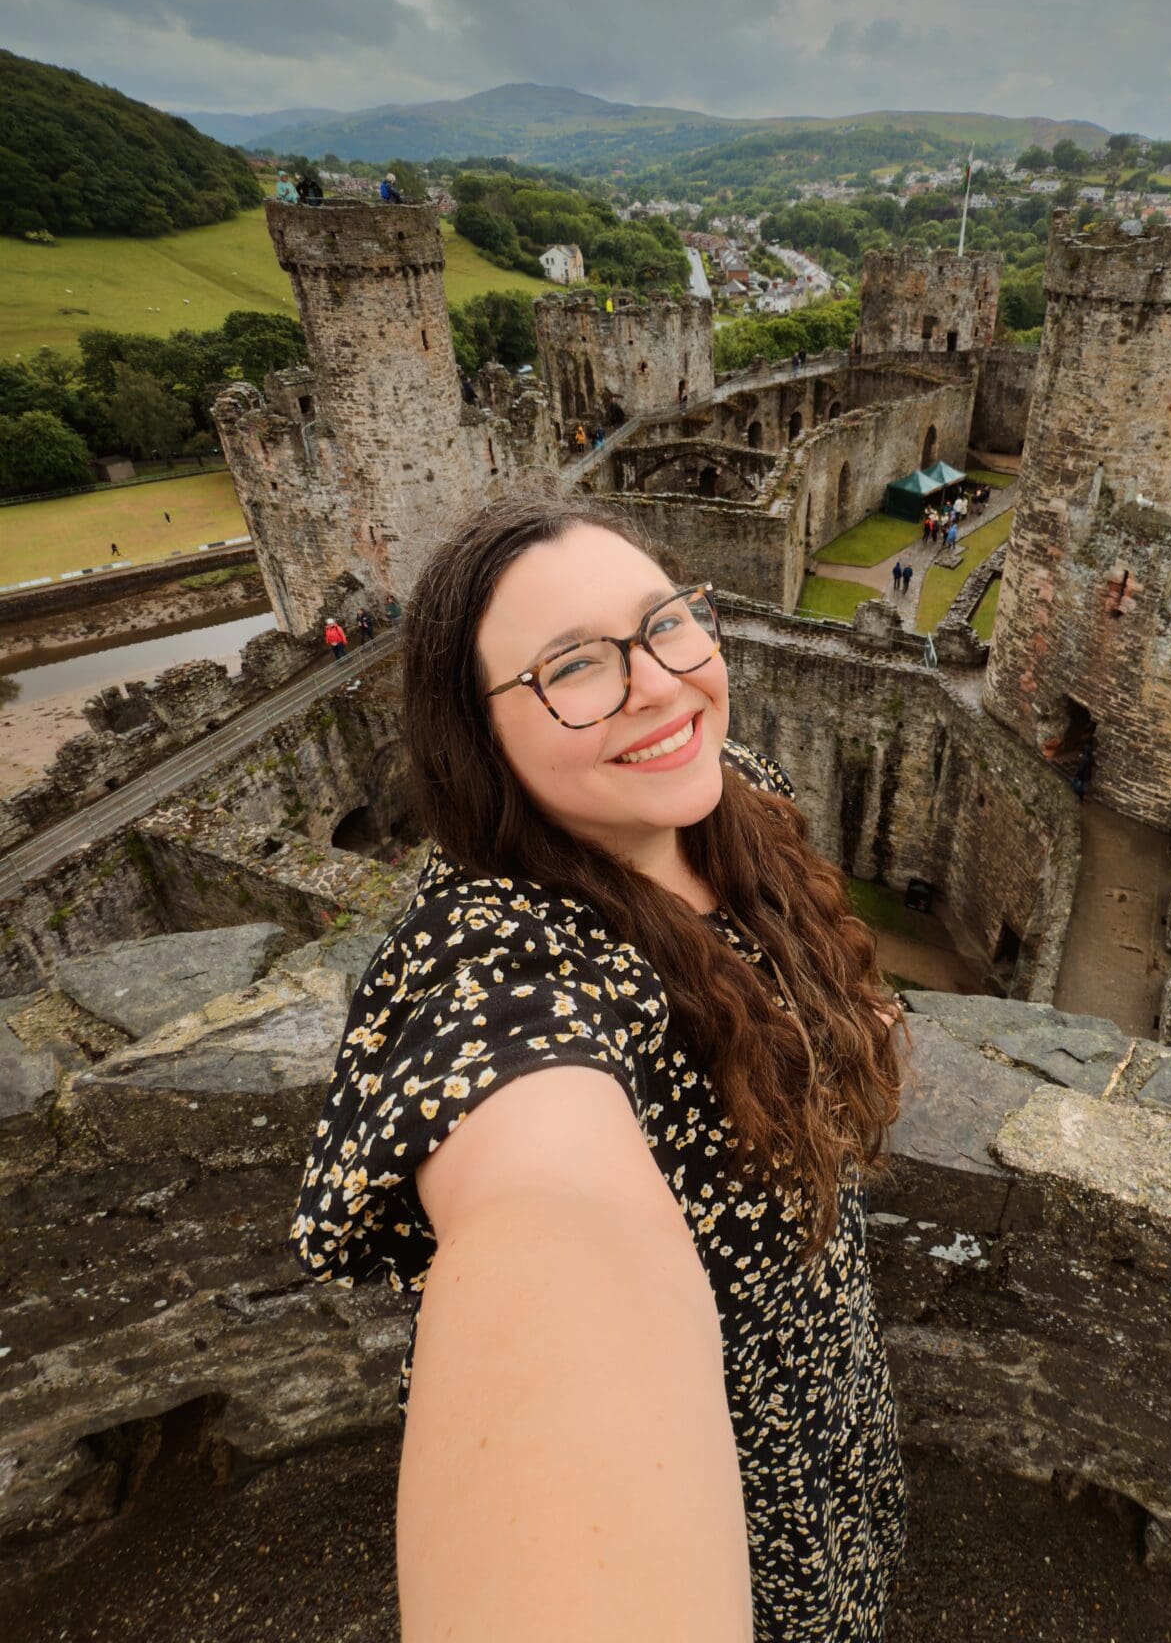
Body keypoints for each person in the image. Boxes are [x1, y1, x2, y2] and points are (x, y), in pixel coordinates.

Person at [290, 490, 909, 1641]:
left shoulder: (728, 791)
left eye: (667, 622)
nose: (661, 686)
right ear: (474, 734)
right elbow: (547, 1204)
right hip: (727, 1456)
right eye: (573, 667)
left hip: (831, 1371)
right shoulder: (502, 967)